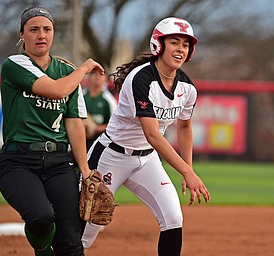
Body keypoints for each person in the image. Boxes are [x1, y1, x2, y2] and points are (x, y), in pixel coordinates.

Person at [81, 17, 211, 255]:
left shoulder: (187, 88)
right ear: (158, 45)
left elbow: (184, 128)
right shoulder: (141, 78)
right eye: (174, 42)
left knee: (173, 218)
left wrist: (188, 167)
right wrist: (186, 172)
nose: (180, 48)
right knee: (86, 231)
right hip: (111, 155)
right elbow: (152, 134)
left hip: (147, 160)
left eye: (185, 44)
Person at [0, 6, 104, 256]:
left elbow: (74, 124)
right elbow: (56, 90)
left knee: (70, 241)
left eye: (47, 29)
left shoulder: (66, 73)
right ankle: (43, 248)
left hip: (60, 162)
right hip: (18, 161)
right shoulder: (14, 64)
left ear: (53, 33)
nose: (41, 35)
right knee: (41, 217)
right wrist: (84, 68)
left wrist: (86, 170)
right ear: (22, 34)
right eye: (33, 29)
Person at [83, 71, 117, 150]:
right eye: (94, 74)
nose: (97, 77)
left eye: (101, 74)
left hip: (100, 140)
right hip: (81, 139)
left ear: (105, 79)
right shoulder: (82, 95)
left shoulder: (108, 99)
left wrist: (95, 128)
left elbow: (115, 124)